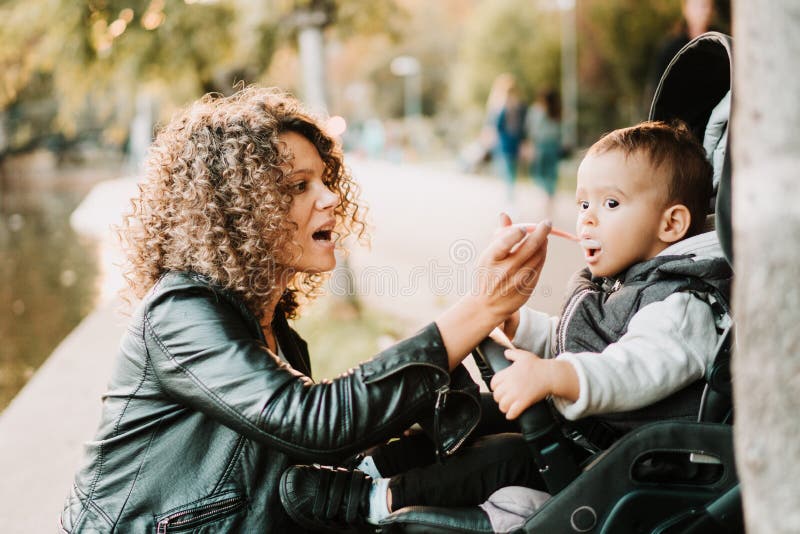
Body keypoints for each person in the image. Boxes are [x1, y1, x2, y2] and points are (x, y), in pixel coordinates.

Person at [58, 87, 552, 532]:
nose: (331, 198)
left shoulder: (273, 327)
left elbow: (313, 447)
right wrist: (480, 307)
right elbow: (314, 422)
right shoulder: (180, 312)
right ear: (239, 210)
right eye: (299, 186)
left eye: (323, 179)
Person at [282, 120, 732, 531]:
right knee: (479, 411)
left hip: (625, 463)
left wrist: (555, 375)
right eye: (583, 204)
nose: (588, 219)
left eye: (610, 204)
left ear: (672, 223)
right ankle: (375, 464)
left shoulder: (683, 303)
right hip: (593, 436)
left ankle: (376, 501)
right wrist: (516, 323)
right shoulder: (627, 282)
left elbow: (633, 368)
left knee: (506, 455)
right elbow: (580, 337)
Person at [488, 73, 527, 212]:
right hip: (506, 144)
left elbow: (521, 128)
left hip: (509, 144)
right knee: (508, 173)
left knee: (509, 173)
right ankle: (509, 200)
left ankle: (509, 201)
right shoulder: (505, 106)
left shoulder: (513, 106)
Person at [524, 88, 563, 219]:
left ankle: (546, 200)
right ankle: (549, 201)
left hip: (541, 146)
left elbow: (531, 129)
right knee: (550, 174)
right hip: (553, 146)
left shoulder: (536, 110)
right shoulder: (557, 111)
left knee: (539, 174)